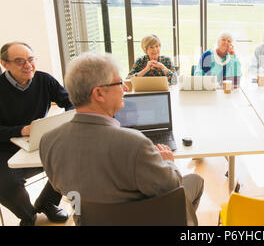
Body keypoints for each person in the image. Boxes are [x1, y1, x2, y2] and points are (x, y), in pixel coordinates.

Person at [40, 53, 204, 225]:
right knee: (195, 181)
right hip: (142, 219)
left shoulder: (48, 141)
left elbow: (60, 188)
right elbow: (171, 187)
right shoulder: (134, 143)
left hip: (88, 220)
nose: (125, 88)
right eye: (119, 83)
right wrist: (169, 162)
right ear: (99, 94)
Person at [0, 42, 72, 226]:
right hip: (5, 148)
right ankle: (28, 215)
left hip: (39, 142)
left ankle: (47, 202)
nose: (28, 65)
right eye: (20, 61)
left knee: (73, 160)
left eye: (31, 59)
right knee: (5, 186)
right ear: (4, 64)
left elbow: (70, 102)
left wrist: (66, 119)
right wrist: (21, 130)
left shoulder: (44, 80)